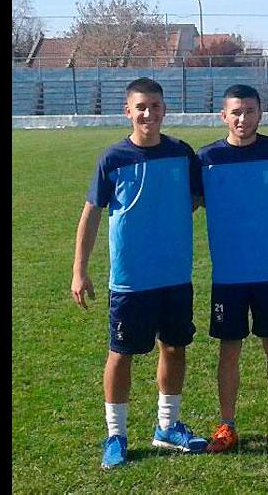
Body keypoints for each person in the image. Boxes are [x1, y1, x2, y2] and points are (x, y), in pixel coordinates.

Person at [70, 77, 208, 469]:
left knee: (174, 347)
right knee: (121, 354)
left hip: (175, 274)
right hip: (130, 278)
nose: (148, 114)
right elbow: (91, 213)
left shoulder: (183, 153)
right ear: (128, 111)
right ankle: (116, 434)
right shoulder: (112, 159)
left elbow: (197, 198)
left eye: (155, 106)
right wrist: (80, 271)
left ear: (165, 109)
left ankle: (168, 426)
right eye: (141, 107)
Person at [195, 84, 268, 453]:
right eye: (236, 112)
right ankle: (226, 425)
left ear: (260, 113)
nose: (242, 119)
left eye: (249, 111)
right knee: (230, 349)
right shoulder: (207, 158)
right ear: (223, 116)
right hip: (228, 272)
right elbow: (193, 202)